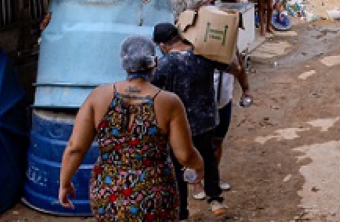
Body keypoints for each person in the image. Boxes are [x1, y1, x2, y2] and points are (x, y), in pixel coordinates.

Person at [58, 35, 204, 221]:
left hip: (108, 193)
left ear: (124, 63)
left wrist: (64, 183)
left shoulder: (98, 96)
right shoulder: (168, 102)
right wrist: (199, 166)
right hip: (154, 195)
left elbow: (75, 148)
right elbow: (185, 155)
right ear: (154, 62)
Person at [151, 23, 229, 218]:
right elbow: (227, 65)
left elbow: (151, 89)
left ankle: (181, 211)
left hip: (178, 124)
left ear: (162, 45)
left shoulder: (164, 64)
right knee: (208, 157)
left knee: (176, 166)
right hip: (206, 119)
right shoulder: (202, 54)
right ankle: (215, 200)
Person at [192, 51, 253, 200]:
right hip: (202, 105)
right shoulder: (198, 46)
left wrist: (245, 89)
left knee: (217, 141)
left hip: (224, 102)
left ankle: (213, 179)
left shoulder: (229, 46)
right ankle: (196, 182)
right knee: (199, 144)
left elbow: (239, 67)